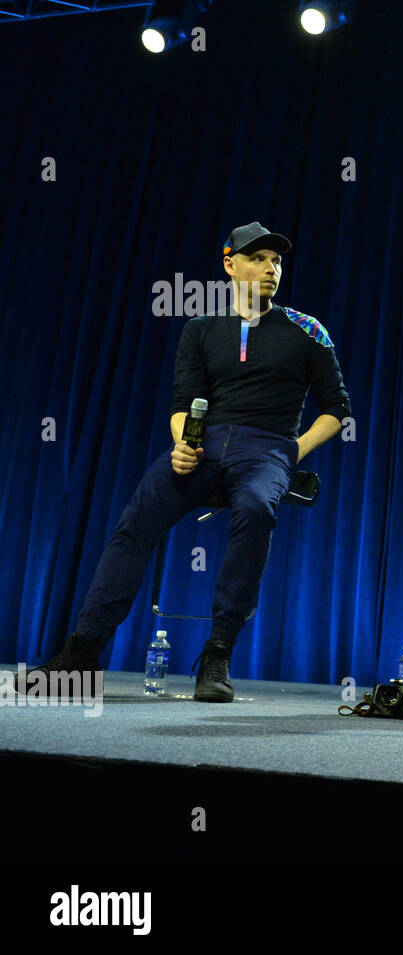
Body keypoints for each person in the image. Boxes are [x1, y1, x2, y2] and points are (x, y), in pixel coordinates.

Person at [24, 222, 352, 702]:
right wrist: (184, 444)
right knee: (137, 519)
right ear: (230, 264)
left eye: (276, 261)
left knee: (258, 507)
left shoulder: (307, 330)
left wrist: (291, 451)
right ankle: (83, 651)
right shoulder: (200, 328)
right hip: (204, 444)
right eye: (258, 258)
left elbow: (337, 411)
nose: (270, 268)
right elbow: (185, 401)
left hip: (268, 447)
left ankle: (218, 654)